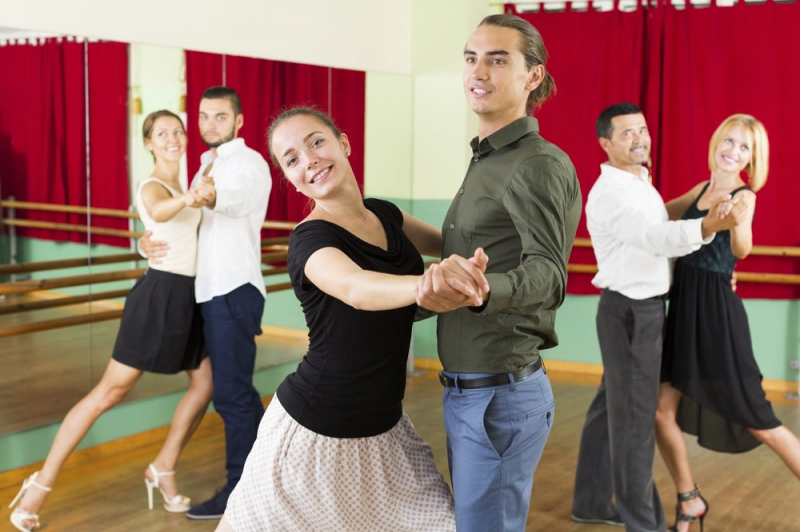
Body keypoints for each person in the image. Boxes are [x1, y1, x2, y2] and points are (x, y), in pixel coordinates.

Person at [216, 107, 490, 532]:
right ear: (290, 178)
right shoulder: (309, 240)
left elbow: (453, 243)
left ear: (342, 142)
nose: (308, 160)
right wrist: (428, 285)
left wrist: (486, 256)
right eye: (291, 159)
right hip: (315, 432)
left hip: (384, 429)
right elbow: (357, 289)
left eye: (316, 142)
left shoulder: (385, 214)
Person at [8, 110, 214, 532]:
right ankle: (39, 486)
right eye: (162, 134)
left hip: (188, 299)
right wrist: (188, 200)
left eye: (177, 131)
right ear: (149, 144)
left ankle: (163, 466)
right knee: (109, 392)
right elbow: (157, 210)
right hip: (157, 298)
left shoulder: (188, 184)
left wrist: (186, 203)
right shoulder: (154, 187)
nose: (173, 138)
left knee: (206, 383)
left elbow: (181, 233)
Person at [414, 14, 581, 532]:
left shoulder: (536, 163)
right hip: (471, 390)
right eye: (471, 57)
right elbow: (474, 250)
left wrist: (485, 290)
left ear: (533, 76)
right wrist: (391, 223)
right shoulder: (486, 159)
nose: (478, 70)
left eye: (497, 58)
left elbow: (549, 274)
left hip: (499, 398)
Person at [571, 103, 747, 532]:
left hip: (631, 311)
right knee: (634, 423)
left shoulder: (637, 182)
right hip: (633, 313)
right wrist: (708, 226)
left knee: (609, 409)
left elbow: (656, 220)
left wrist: (692, 210)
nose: (639, 138)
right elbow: (652, 237)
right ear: (605, 144)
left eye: (643, 130)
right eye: (627, 133)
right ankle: (644, 523)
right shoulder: (612, 192)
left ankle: (592, 500)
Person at [655, 114, 800, 531]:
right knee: (661, 411)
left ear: (752, 160)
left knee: (761, 421)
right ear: (717, 140)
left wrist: (735, 221)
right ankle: (689, 499)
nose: (733, 151)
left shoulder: (745, 196)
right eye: (730, 141)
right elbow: (659, 215)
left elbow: (743, 247)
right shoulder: (700, 190)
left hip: (717, 314)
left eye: (744, 148)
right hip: (683, 307)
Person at [142, 86, 273, 520]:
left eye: (220, 117)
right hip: (208, 292)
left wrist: (210, 196)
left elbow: (235, 200)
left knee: (234, 396)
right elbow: (182, 223)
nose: (210, 124)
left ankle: (243, 493)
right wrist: (146, 242)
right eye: (203, 116)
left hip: (233, 290)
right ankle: (254, 486)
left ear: (239, 121)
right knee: (228, 393)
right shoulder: (203, 165)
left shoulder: (247, 164)